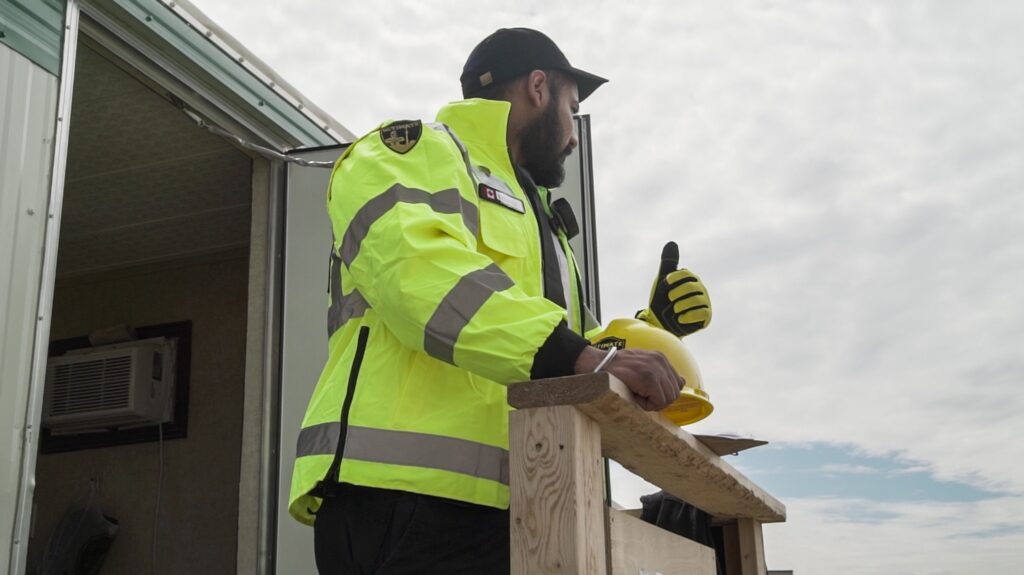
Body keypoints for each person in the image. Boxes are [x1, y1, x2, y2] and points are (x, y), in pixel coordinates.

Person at [289, 27, 712, 574]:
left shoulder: (546, 224)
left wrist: (654, 333)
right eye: (572, 105)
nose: (574, 136)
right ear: (539, 87)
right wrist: (581, 356)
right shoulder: (413, 152)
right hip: (400, 499)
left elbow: (571, 344)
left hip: (521, 504)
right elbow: (421, 274)